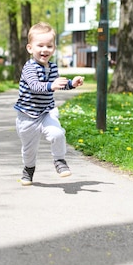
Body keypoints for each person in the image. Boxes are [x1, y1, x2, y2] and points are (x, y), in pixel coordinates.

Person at [14, 22, 84, 186]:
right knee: (29, 149)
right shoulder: (29, 68)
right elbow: (35, 86)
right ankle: (28, 169)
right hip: (27, 116)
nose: (45, 49)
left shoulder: (52, 67)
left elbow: (57, 83)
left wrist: (71, 84)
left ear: (54, 48)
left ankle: (60, 160)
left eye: (49, 46)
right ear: (30, 48)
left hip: (47, 112)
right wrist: (50, 85)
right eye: (40, 45)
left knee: (57, 134)